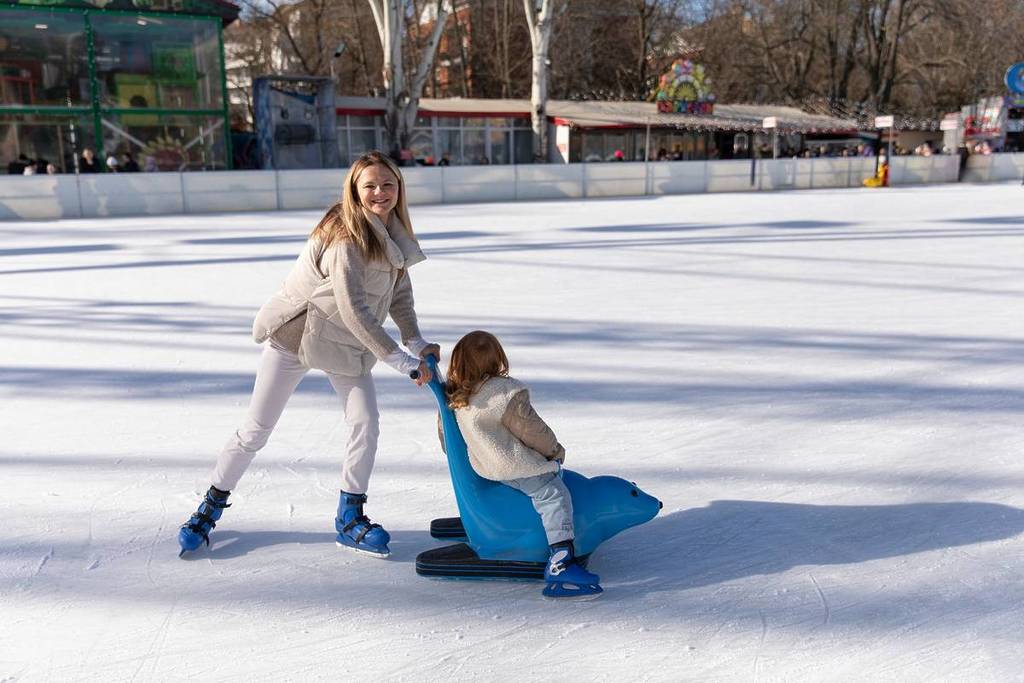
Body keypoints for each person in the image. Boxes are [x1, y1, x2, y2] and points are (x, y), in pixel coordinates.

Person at [178, 151, 440, 559]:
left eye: (387, 184)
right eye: (369, 185)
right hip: (298, 335)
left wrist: (416, 341)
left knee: (365, 423)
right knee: (255, 430)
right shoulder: (346, 235)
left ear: (399, 188)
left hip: (346, 343)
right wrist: (403, 362)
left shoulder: (394, 232)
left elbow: (397, 294)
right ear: (354, 190)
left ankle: (349, 517)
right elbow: (354, 307)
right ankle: (210, 505)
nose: (379, 192)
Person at [440, 330, 602, 598]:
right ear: (498, 360)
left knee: (547, 489)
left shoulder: (458, 398)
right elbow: (532, 430)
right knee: (553, 494)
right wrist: (554, 451)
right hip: (514, 465)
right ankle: (561, 560)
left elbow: (447, 440)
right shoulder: (504, 393)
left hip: (487, 467)